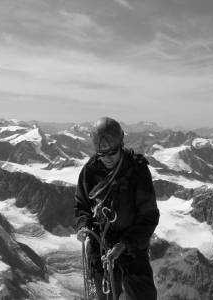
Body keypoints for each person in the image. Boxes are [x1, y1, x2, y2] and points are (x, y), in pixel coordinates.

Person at [74, 117, 160, 300]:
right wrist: (83, 225)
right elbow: (82, 205)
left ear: (121, 144)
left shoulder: (137, 170)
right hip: (102, 248)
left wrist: (125, 244)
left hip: (133, 248)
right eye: (102, 154)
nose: (108, 158)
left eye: (112, 152)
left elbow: (149, 215)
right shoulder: (90, 171)